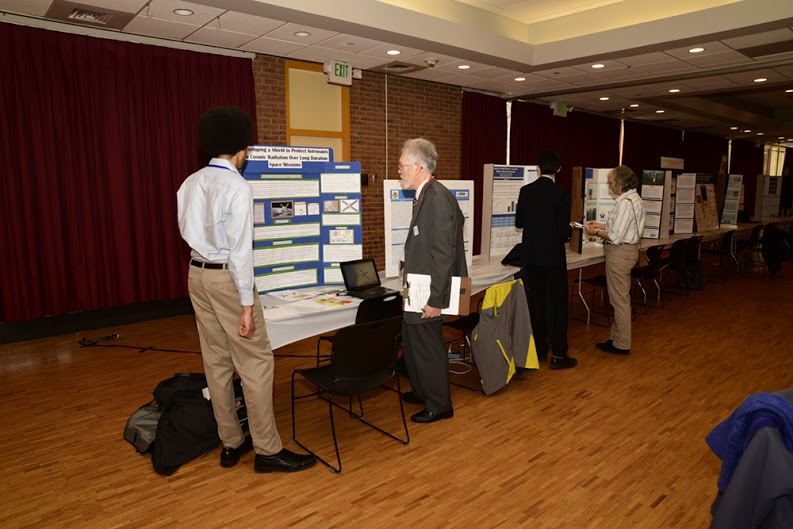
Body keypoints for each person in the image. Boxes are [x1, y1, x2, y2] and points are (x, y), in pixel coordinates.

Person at [177, 106, 316, 473]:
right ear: (241, 148)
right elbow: (240, 251)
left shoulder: (190, 183)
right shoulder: (238, 186)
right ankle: (268, 450)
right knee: (255, 363)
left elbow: (185, 231)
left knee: (216, 362)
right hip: (226, 278)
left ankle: (230, 443)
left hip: (196, 274)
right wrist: (245, 305)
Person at [398, 138, 467, 423]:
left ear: (417, 166)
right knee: (412, 342)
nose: (399, 170)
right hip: (415, 285)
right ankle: (422, 390)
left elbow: (443, 255)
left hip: (428, 290)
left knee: (428, 347)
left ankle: (439, 404)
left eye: (402, 166)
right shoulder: (426, 194)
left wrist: (435, 300)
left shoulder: (436, 199)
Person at [514, 149, 577, 370]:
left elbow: (519, 222)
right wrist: (568, 231)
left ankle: (540, 350)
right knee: (560, 305)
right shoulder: (561, 193)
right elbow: (563, 231)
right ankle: (559, 355)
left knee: (537, 303)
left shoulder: (526, 191)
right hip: (553, 257)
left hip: (531, 257)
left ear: (538, 168)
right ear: (559, 169)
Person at [585, 165, 646, 355]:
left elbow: (616, 236)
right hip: (626, 252)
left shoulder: (625, 203)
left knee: (619, 301)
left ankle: (621, 344)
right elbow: (621, 226)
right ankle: (616, 338)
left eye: (611, 183)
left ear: (620, 183)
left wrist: (595, 232)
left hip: (620, 253)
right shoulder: (633, 199)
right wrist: (601, 224)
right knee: (620, 298)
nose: (609, 186)